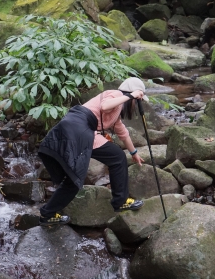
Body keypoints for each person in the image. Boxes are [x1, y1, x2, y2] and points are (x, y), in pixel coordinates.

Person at [38, 77, 148, 226]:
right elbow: (105, 106)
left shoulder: (115, 113)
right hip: (80, 128)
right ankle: (120, 201)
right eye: (136, 100)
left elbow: (123, 133)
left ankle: (47, 214)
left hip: (72, 127)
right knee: (117, 157)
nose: (135, 104)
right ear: (131, 94)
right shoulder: (115, 94)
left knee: (73, 178)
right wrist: (130, 95)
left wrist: (134, 153)